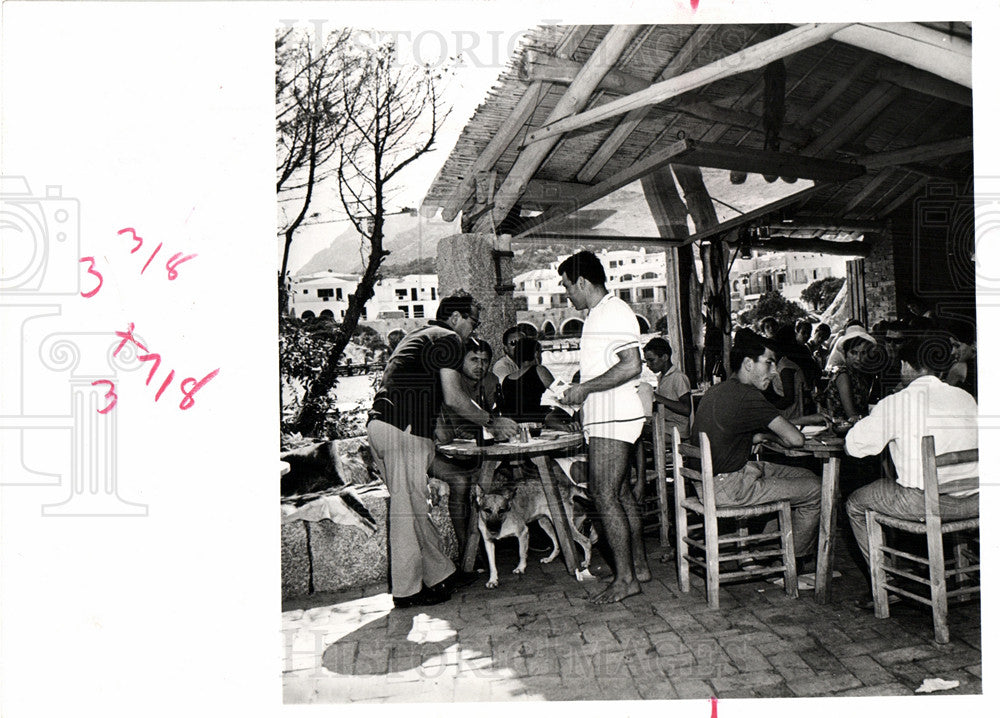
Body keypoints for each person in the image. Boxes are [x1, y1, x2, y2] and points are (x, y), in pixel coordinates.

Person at [367, 294, 518, 608]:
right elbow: (452, 396)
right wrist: (493, 422)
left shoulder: (419, 336)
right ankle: (407, 592)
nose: (473, 329)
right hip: (402, 431)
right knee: (407, 513)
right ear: (456, 318)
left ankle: (441, 575)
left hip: (385, 427)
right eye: (473, 322)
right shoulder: (449, 338)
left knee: (415, 509)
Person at [844, 333, 978, 606]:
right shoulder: (966, 398)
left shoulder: (898, 402)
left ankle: (886, 586)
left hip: (927, 503)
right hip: (977, 500)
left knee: (856, 503)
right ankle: (962, 578)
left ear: (905, 366)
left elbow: (854, 447)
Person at [558, 250, 650, 604]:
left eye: (568, 285)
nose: (567, 294)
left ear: (582, 281)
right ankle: (638, 567)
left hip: (615, 417)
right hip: (607, 415)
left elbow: (631, 366)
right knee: (620, 494)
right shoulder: (600, 314)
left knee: (603, 495)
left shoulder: (613, 311)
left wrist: (584, 388)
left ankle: (626, 579)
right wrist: (581, 392)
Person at [690, 328, 822, 567]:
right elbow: (796, 440)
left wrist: (763, 436)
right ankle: (792, 560)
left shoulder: (717, 390)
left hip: (708, 480)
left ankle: (768, 546)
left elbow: (726, 435)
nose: (774, 373)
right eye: (769, 364)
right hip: (728, 487)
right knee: (815, 488)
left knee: (805, 476)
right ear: (749, 364)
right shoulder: (747, 395)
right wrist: (780, 434)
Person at [430, 337, 501, 544]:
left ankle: (498, 538)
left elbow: (494, 418)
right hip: (432, 449)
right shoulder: (449, 384)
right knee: (461, 481)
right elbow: (445, 434)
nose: (480, 365)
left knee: (499, 473)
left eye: (485, 360)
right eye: (474, 359)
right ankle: (466, 549)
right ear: (461, 361)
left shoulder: (490, 382)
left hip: (468, 450)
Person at [822, 325, 877, 425]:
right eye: (854, 353)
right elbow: (852, 415)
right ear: (845, 354)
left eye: (863, 353)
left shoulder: (861, 374)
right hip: (841, 429)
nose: (858, 358)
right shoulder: (843, 375)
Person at [643, 337, 691, 440]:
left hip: (677, 430)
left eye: (651, 360)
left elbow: (686, 409)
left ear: (664, 357)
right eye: (646, 361)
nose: (647, 365)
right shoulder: (662, 377)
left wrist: (656, 397)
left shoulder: (678, 377)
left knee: (641, 433)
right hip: (667, 426)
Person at [498, 336, 554, 422]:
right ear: (536, 354)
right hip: (534, 421)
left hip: (514, 424)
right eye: (540, 353)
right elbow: (559, 390)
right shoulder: (539, 370)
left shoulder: (507, 379)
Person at [944, 320, 977, 400]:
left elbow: (944, 398)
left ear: (974, 345)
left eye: (957, 346)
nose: (953, 352)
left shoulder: (959, 368)